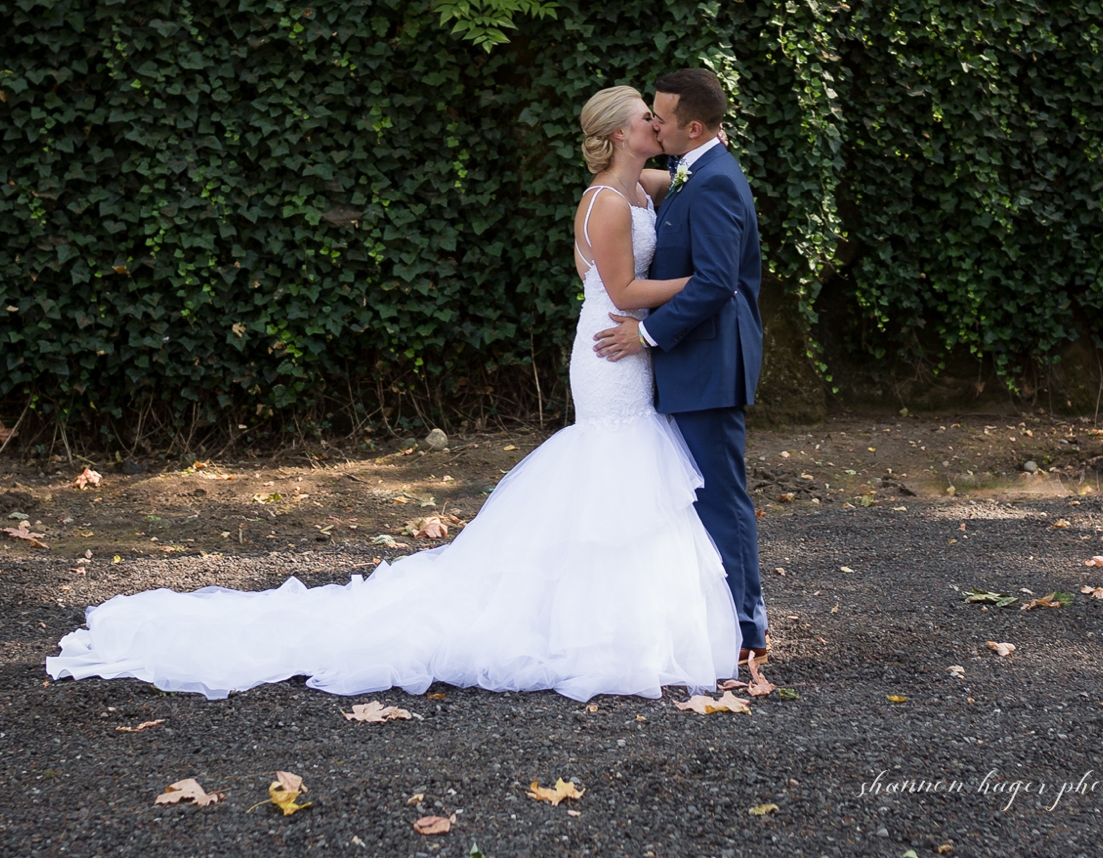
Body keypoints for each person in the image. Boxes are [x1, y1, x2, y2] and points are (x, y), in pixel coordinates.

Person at [43, 85, 742, 701]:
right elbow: (623, 290)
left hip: (625, 345)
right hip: (612, 348)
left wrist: (706, 159)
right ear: (619, 132)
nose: (657, 124)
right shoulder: (608, 203)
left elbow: (690, 174)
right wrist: (708, 281)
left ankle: (610, 618)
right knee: (613, 465)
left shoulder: (644, 186)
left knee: (621, 477)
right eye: (646, 118)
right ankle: (596, 629)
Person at [591, 67, 767, 666]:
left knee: (719, 496)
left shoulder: (713, 181)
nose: (654, 123)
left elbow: (716, 281)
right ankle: (710, 620)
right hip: (689, 362)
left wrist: (645, 334)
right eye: (647, 116)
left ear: (692, 128)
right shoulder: (690, 171)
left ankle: (745, 629)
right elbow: (633, 181)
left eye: (661, 117)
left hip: (708, 363)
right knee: (692, 495)